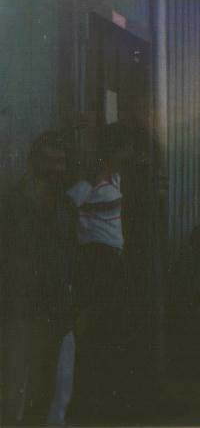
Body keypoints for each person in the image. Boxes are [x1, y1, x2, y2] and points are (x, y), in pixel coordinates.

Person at [0, 131, 77, 425]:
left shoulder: (66, 208)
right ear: (33, 162)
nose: (57, 169)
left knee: (49, 390)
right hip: (20, 310)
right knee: (16, 389)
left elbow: (71, 258)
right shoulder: (11, 203)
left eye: (62, 162)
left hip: (56, 311)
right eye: (50, 160)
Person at [66, 122, 133, 423]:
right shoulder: (91, 179)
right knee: (93, 326)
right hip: (96, 259)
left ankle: (103, 401)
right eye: (127, 147)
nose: (131, 152)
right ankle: (84, 404)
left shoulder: (116, 177)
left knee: (110, 328)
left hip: (112, 260)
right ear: (116, 148)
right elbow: (69, 207)